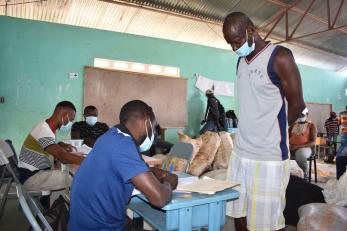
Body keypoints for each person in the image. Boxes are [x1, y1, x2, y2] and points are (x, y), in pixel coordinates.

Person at [223, 12, 306, 231]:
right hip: (240, 153)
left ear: (251, 31)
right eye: (230, 43)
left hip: (268, 157)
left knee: (267, 223)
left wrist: (275, 131)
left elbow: (297, 104)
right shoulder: (241, 61)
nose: (234, 48)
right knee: (238, 215)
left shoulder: (280, 57)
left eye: (237, 41)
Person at [68, 100, 178, 230]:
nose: (153, 133)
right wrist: (169, 182)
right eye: (153, 127)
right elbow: (159, 199)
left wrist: (152, 171)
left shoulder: (111, 136)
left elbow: (126, 166)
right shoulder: (123, 146)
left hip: (82, 224)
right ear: (146, 121)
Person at [17, 101, 84, 192]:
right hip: (32, 178)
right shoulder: (43, 130)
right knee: (80, 174)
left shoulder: (46, 126)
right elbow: (62, 156)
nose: (70, 123)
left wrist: (60, 144)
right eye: (71, 120)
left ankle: (55, 202)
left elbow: (46, 146)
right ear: (64, 114)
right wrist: (88, 160)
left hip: (34, 173)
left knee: (73, 171)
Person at [289, 111, 317, 181]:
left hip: (305, 148)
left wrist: (298, 146)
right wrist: (288, 145)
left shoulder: (311, 125)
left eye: (302, 114)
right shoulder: (293, 125)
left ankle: (305, 173)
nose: (300, 116)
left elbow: (313, 142)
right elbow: (287, 137)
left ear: (306, 114)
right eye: (299, 114)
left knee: (300, 155)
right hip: (291, 147)